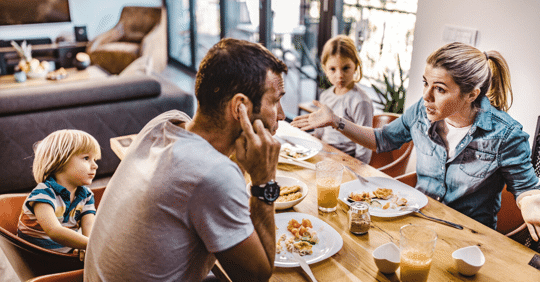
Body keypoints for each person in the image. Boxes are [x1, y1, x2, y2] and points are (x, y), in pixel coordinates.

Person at [84, 38, 288, 282]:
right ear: (240, 107)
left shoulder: (164, 124)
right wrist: (264, 182)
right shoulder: (212, 174)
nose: (283, 115)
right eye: (275, 101)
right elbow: (256, 276)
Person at [292, 42, 540, 240]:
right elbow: (382, 139)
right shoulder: (421, 112)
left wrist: (529, 203)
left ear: (472, 94)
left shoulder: (506, 134)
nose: (426, 96)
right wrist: (336, 120)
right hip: (416, 224)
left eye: (440, 89)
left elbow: (526, 188)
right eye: (425, 83)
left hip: (468, 239)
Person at [17, 129, 100, 257]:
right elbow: (54, 231)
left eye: (95, 159)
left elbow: (89, 225)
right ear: (60, 160)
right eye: (86, 158)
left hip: (67, 251)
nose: (95, 166)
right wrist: (93, 246)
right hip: (38, 256)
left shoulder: (86, 195)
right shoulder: (43, 194)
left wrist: (87, 246)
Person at [314, 35, 373, 163]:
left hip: (347, 160)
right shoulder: (325, 95)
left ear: (356, 66)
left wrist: (359, 171)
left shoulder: (360, 101)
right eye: (332, 69)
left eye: (346, 68)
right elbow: (320, 131)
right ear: (325, 69)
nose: (339, 76)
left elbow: (364, 143)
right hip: (324, 153)